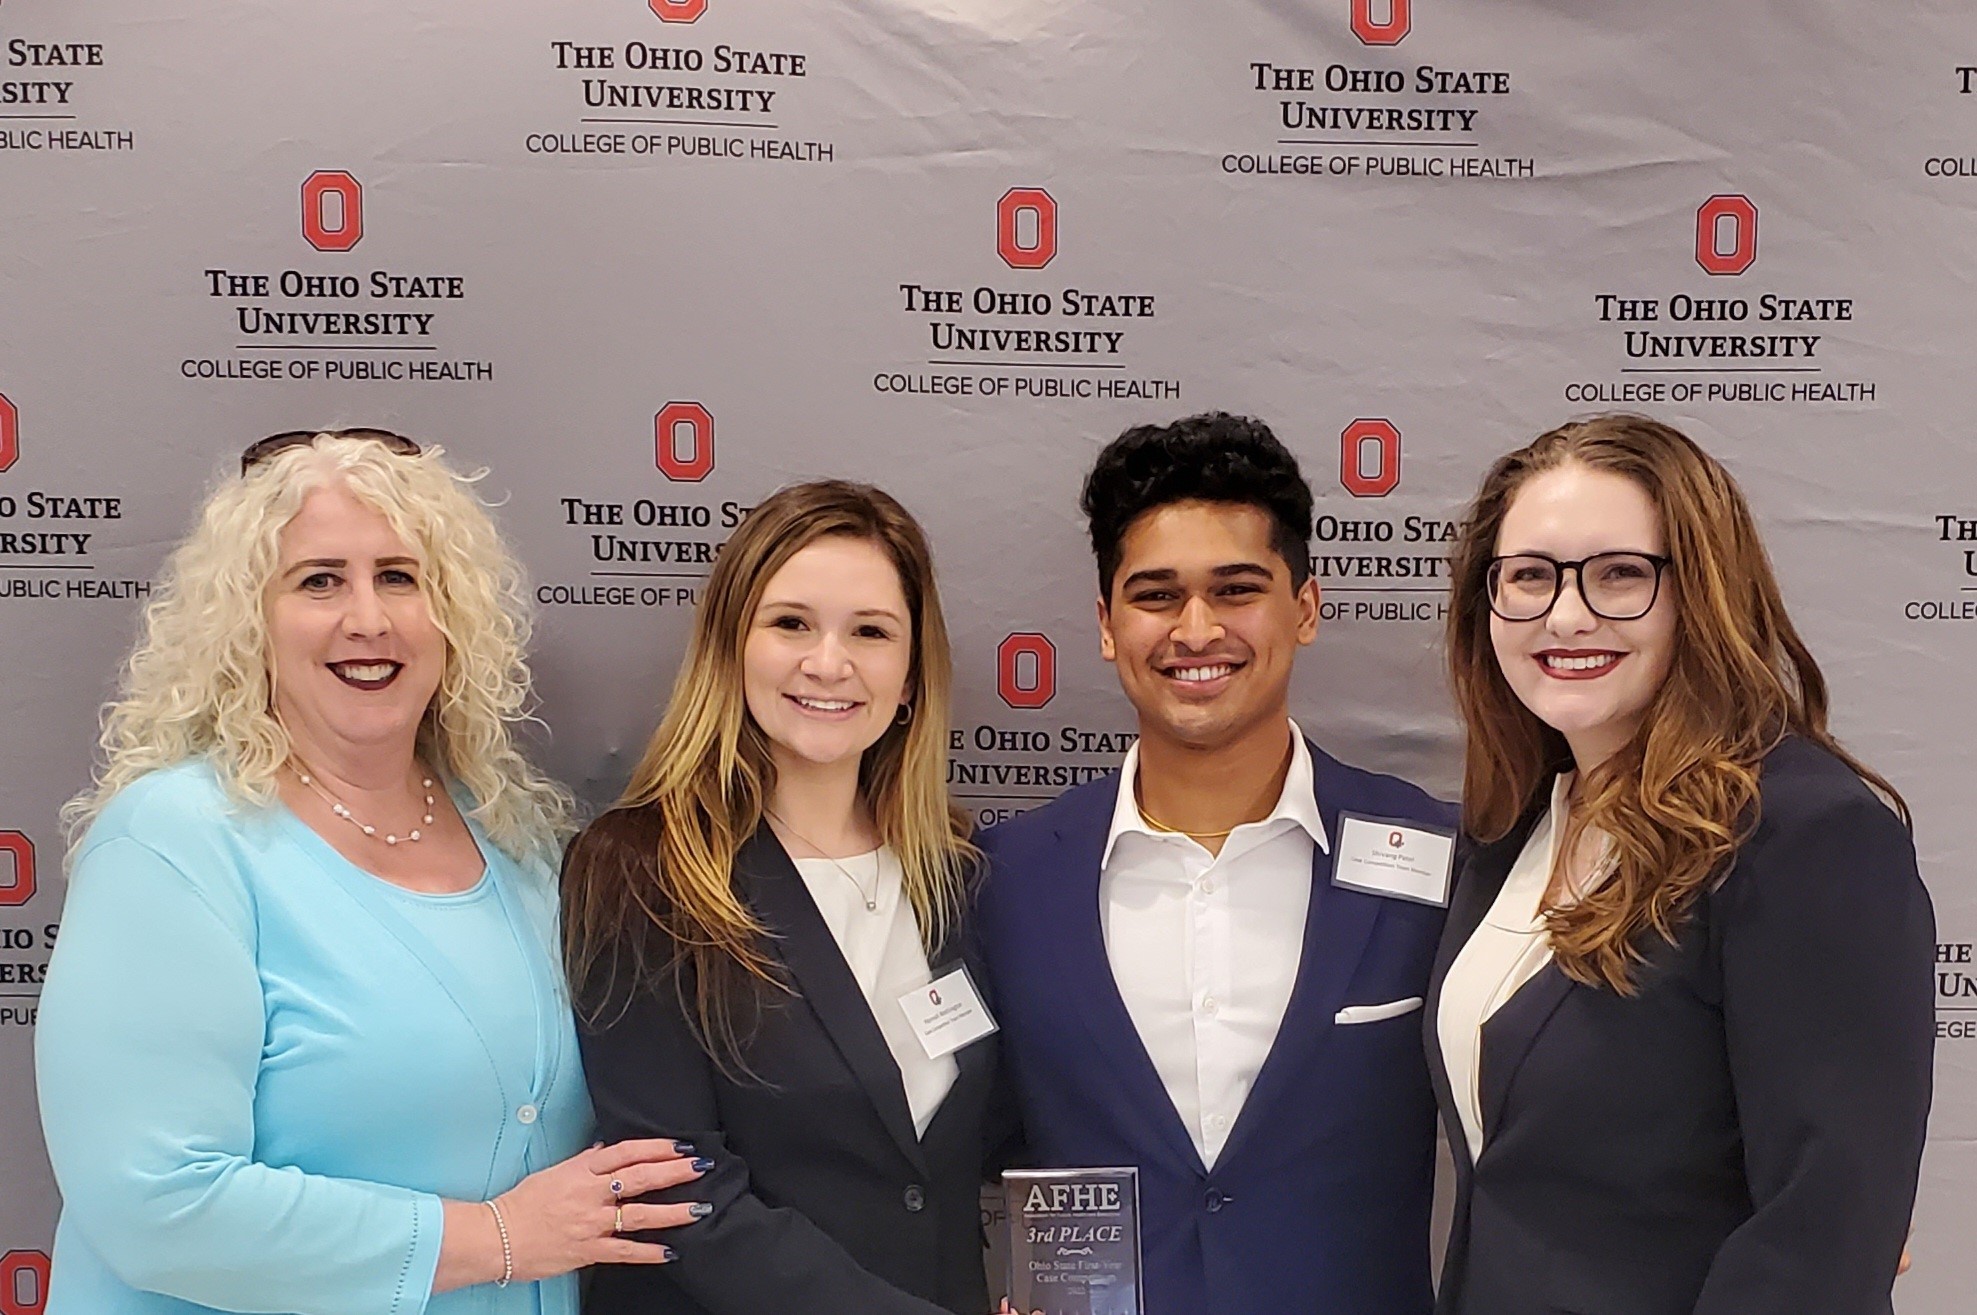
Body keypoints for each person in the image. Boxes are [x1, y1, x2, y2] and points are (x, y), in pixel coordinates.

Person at [35, 430, 704, 1315]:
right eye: (319, 580)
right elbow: (157, 1202)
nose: (369, 617)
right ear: (249, 622)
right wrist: (497, 1239)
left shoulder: (518, 842)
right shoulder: (174, 843)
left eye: (400, 576)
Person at [1430, 413, 1934, 1314]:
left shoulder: (1803, 832)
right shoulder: (1512, 828)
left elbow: (1823, 1230)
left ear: (1701, 591)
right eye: (1530, 577)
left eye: (1620, 574)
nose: (1567, 614)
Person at [974, 413, 1457, 1315]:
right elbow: (956, 1136)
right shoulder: (1004, 877)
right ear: (1107, 624)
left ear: (1304, 608)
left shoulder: (1437, 859)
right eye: (1155, 595)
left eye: (1236, 589)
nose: (1195, 629)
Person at [563, 480, 1000, 1315]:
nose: (828, 663)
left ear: (910, 676)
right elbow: (675, 1191)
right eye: (791, 623)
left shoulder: (955, 870)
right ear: (732, 647)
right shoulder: (639, 871)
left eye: (870, 632)